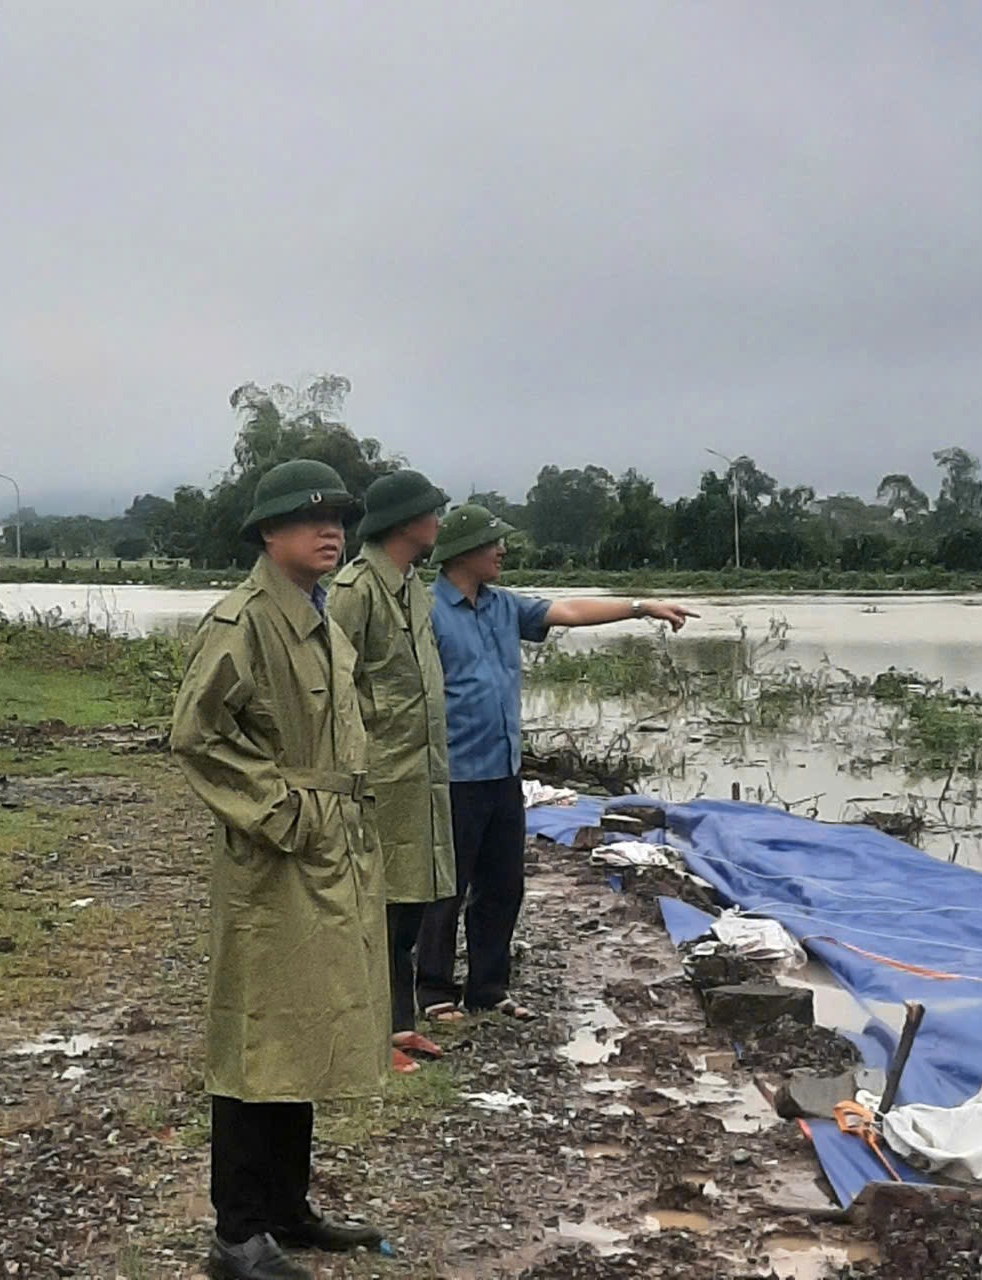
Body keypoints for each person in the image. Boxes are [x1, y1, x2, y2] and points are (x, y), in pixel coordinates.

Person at [171, 459, 389, 1280]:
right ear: (269, 533)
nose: (330, 529)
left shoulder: (321, 619)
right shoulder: (245, 621)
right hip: (278, 856)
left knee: (305, 1027)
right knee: (258, 1035)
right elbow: (196, 735)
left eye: (339, 517)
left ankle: (288, 1210)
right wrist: (285, 814)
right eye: (310, 519)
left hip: (329, 849)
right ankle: (236, 1231)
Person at [415, 504, 698, 1024]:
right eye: (492, 543)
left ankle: (488, 989)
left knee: (503, 886)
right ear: (463, 552)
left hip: (503, 772)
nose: (502, 551)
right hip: (451, 774)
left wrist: (640, 607)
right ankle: (433, 992)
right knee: (445, 888)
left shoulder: (504, 606)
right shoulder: (424, 610)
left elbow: (568, 612)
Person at [328, 470, 456, 1075]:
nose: (438, 521)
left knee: (408, 905)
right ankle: (366, 1035)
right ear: (406, 522)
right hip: (377, 775)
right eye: (431, 512)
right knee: (375, 908)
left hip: (419, 774)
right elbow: (331, 687)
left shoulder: (412, 587)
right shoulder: (355, 590)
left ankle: (398, 1026)